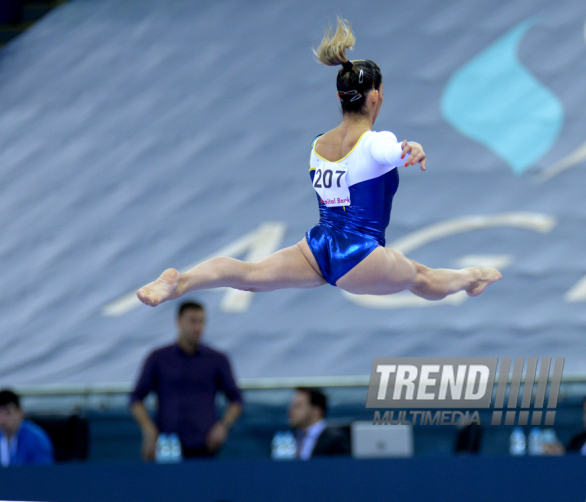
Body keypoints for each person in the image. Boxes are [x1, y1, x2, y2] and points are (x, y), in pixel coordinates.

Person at [135, 19, 501, 308]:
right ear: (375, 97)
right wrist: (413, 148)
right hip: (361, 253)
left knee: (251, 274)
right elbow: (393, 152)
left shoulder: (317, 145)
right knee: (422, 278)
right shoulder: (377, 143)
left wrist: (404, 150)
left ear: (340, 97)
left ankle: (180, 281)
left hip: (319, 246)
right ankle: (473, 276)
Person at [130, 301, 243, 460]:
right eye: (192, 321)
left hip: (205, 446)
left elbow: (236, 399)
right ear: (178, 322)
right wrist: (148, 429)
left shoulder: (216, 360)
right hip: (167, 445)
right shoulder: (159, 358)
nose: (197, 328)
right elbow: (136, 398)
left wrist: (223, 426)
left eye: (201, 322)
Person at [287, 387, 349, 459]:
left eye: (298, 406)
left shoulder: (335, 440)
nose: (291, 411)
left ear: (316, 410)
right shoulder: (291, 437)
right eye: (291, 406)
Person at [0, 389, 54, 466]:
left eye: (8, 413)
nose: (2, 419)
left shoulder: (36, 439)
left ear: (20, 413)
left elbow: (43, 473)